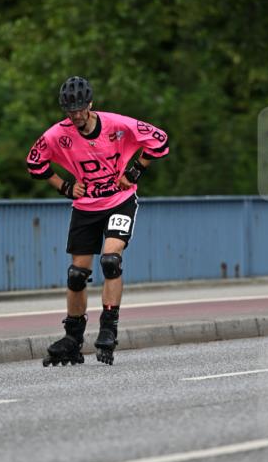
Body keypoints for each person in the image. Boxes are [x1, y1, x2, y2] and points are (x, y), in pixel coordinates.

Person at [26, 76, 169, 365]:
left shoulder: (116, 124)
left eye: (79, 109)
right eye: (70, 110)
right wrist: (64, 186)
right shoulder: (58, 134)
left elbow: (159, 139)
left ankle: (107, 329)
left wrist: (135, 171)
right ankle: (73, 337)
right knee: (76, 275)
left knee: (110, 261)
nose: (75, 115)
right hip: (86, 207)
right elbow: (34, 162)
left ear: (90, 104)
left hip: (119, 201)